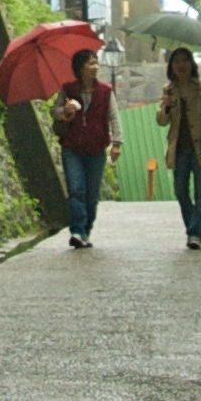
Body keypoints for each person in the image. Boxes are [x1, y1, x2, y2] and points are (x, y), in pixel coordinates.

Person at [52, 43, 113, 248]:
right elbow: (55, 111)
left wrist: (117, 143)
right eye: (91, 63)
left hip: (96, 148)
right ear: (80, 68)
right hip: (73, 147)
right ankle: (77, 230)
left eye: (96, 63)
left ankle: (86, 230)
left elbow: (113, 116)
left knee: (92, 194)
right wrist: (65, 110)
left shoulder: (105, 91)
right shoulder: (68, 90)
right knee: (76, 189)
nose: (95, 67)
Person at [161, 42, 201, 252]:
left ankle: (195, 234)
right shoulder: (168, 89)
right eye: (177, 61)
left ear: (191, 63)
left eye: (185, 60)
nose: (181, 65)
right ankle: (193, 229)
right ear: (172, 66)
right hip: (179, 149)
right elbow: (161, 121)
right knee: (180, 191)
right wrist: (166, 106)